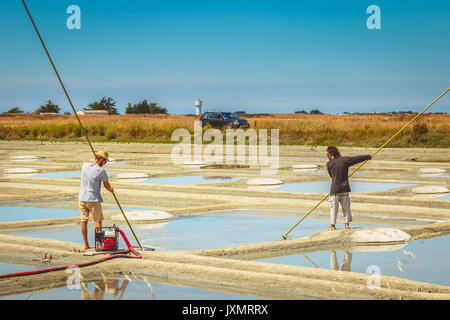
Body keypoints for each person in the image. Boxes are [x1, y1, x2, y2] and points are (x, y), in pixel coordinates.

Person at [326, 146, 371, 231]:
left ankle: (332, 226)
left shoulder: (329, 164)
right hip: (344, 189)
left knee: (333, 209)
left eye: (327, 154)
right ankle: (347, 225)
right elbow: (356, 158)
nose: (327, 156)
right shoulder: (345, 160)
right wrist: (368, 156)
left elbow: (332, 176)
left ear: (331, 153)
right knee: (346, 208)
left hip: (335, 190)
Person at [78, 151, 114, 250]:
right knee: (98, 221)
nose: (105, 163)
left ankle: (86, 244)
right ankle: (99, 244)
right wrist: (111, 189)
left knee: (84, 221)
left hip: (82, 198)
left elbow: (91, 165)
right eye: (105, 161)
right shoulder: (101, 171)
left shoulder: (84, 165)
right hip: (93, 199)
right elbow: (106, 186)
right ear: (102, 159)